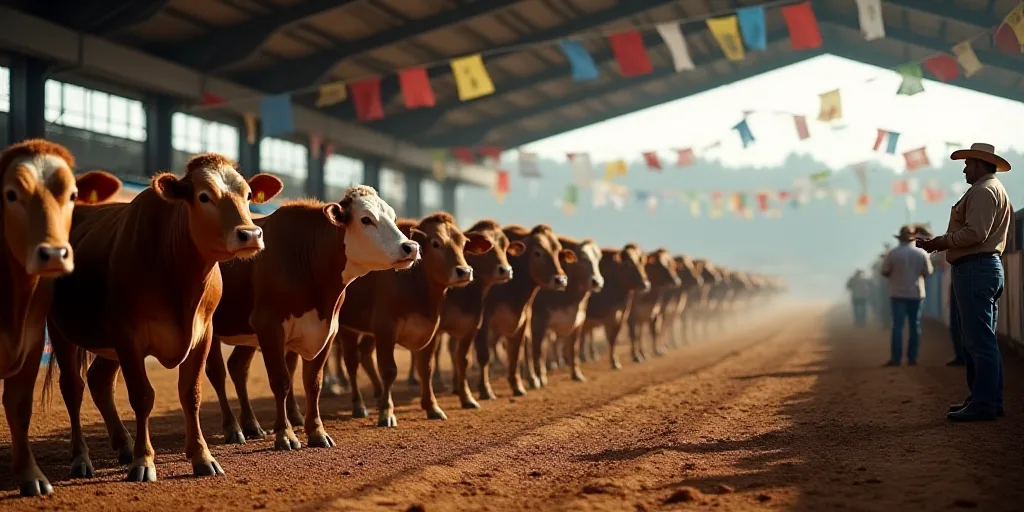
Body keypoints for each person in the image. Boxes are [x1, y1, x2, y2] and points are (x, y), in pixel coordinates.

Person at [917, 143, 1013, 422]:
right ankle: (987, 399)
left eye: (968, 164)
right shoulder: (992, 189)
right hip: (984, 268)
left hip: (975, 268)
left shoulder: (983, 191)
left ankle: (983, 403)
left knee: (978, 342)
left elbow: (975, 233)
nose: (964, 168)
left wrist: (940, 242)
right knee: (984, 340)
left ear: (980, 164)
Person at [881, 225, 934, 367]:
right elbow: (928, 271)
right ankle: (912, 358)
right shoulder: (921, 253)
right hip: (916, 293)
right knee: (914, 325)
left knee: (897, 326)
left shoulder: (892, 254)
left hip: (897, 293)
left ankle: (896, 359)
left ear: (900, 238)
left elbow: (885, 271)